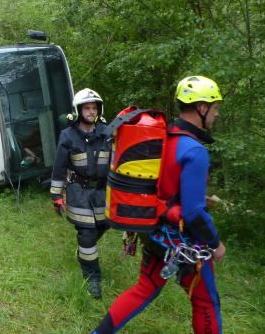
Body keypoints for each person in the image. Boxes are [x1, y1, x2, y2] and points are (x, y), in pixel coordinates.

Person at [91, 76, 226, 334]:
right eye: (215, 107)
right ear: (201, 107)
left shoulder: (164, 138)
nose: (216, 114)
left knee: (144, 289)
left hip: (154, 233)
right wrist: (215, 244)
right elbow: (194, 212)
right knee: (206, 302)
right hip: (185, 245)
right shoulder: (195, 151)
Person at [50, 88, 110, 299]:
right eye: (87, 108)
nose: (91, 112)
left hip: (102, 190)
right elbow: (59, 167)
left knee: (104, 224)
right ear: (79, 110)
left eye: (94, 108)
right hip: (78, 190)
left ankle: (86, 249)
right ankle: (92, 277)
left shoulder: (107, 132)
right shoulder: (68, 135)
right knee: (86, 233)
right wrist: (57, 195)